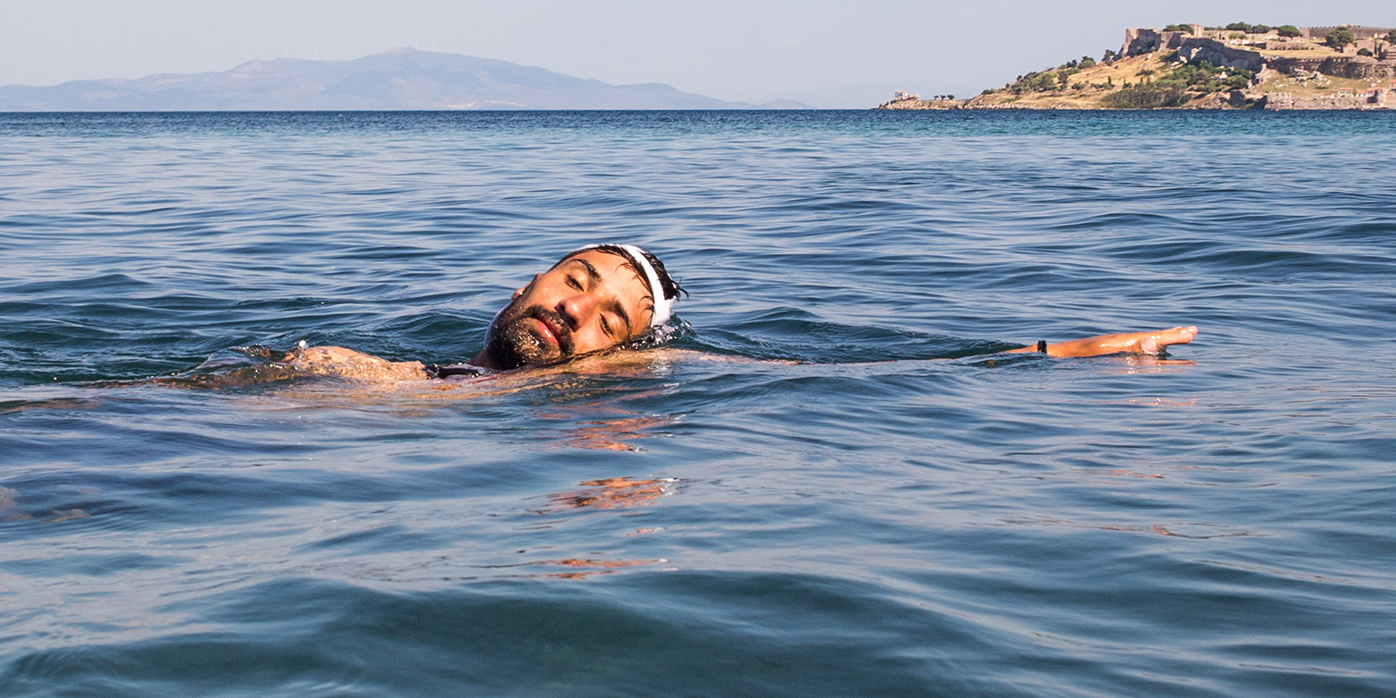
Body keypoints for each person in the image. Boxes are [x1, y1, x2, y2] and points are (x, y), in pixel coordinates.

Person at [271, 244, 1194, 383]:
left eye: (614, 321)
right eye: (576, 282)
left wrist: (1064, 349)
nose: (579, 313)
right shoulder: (414, 369)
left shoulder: (576, 391)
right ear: (520, 289)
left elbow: (853, 374)